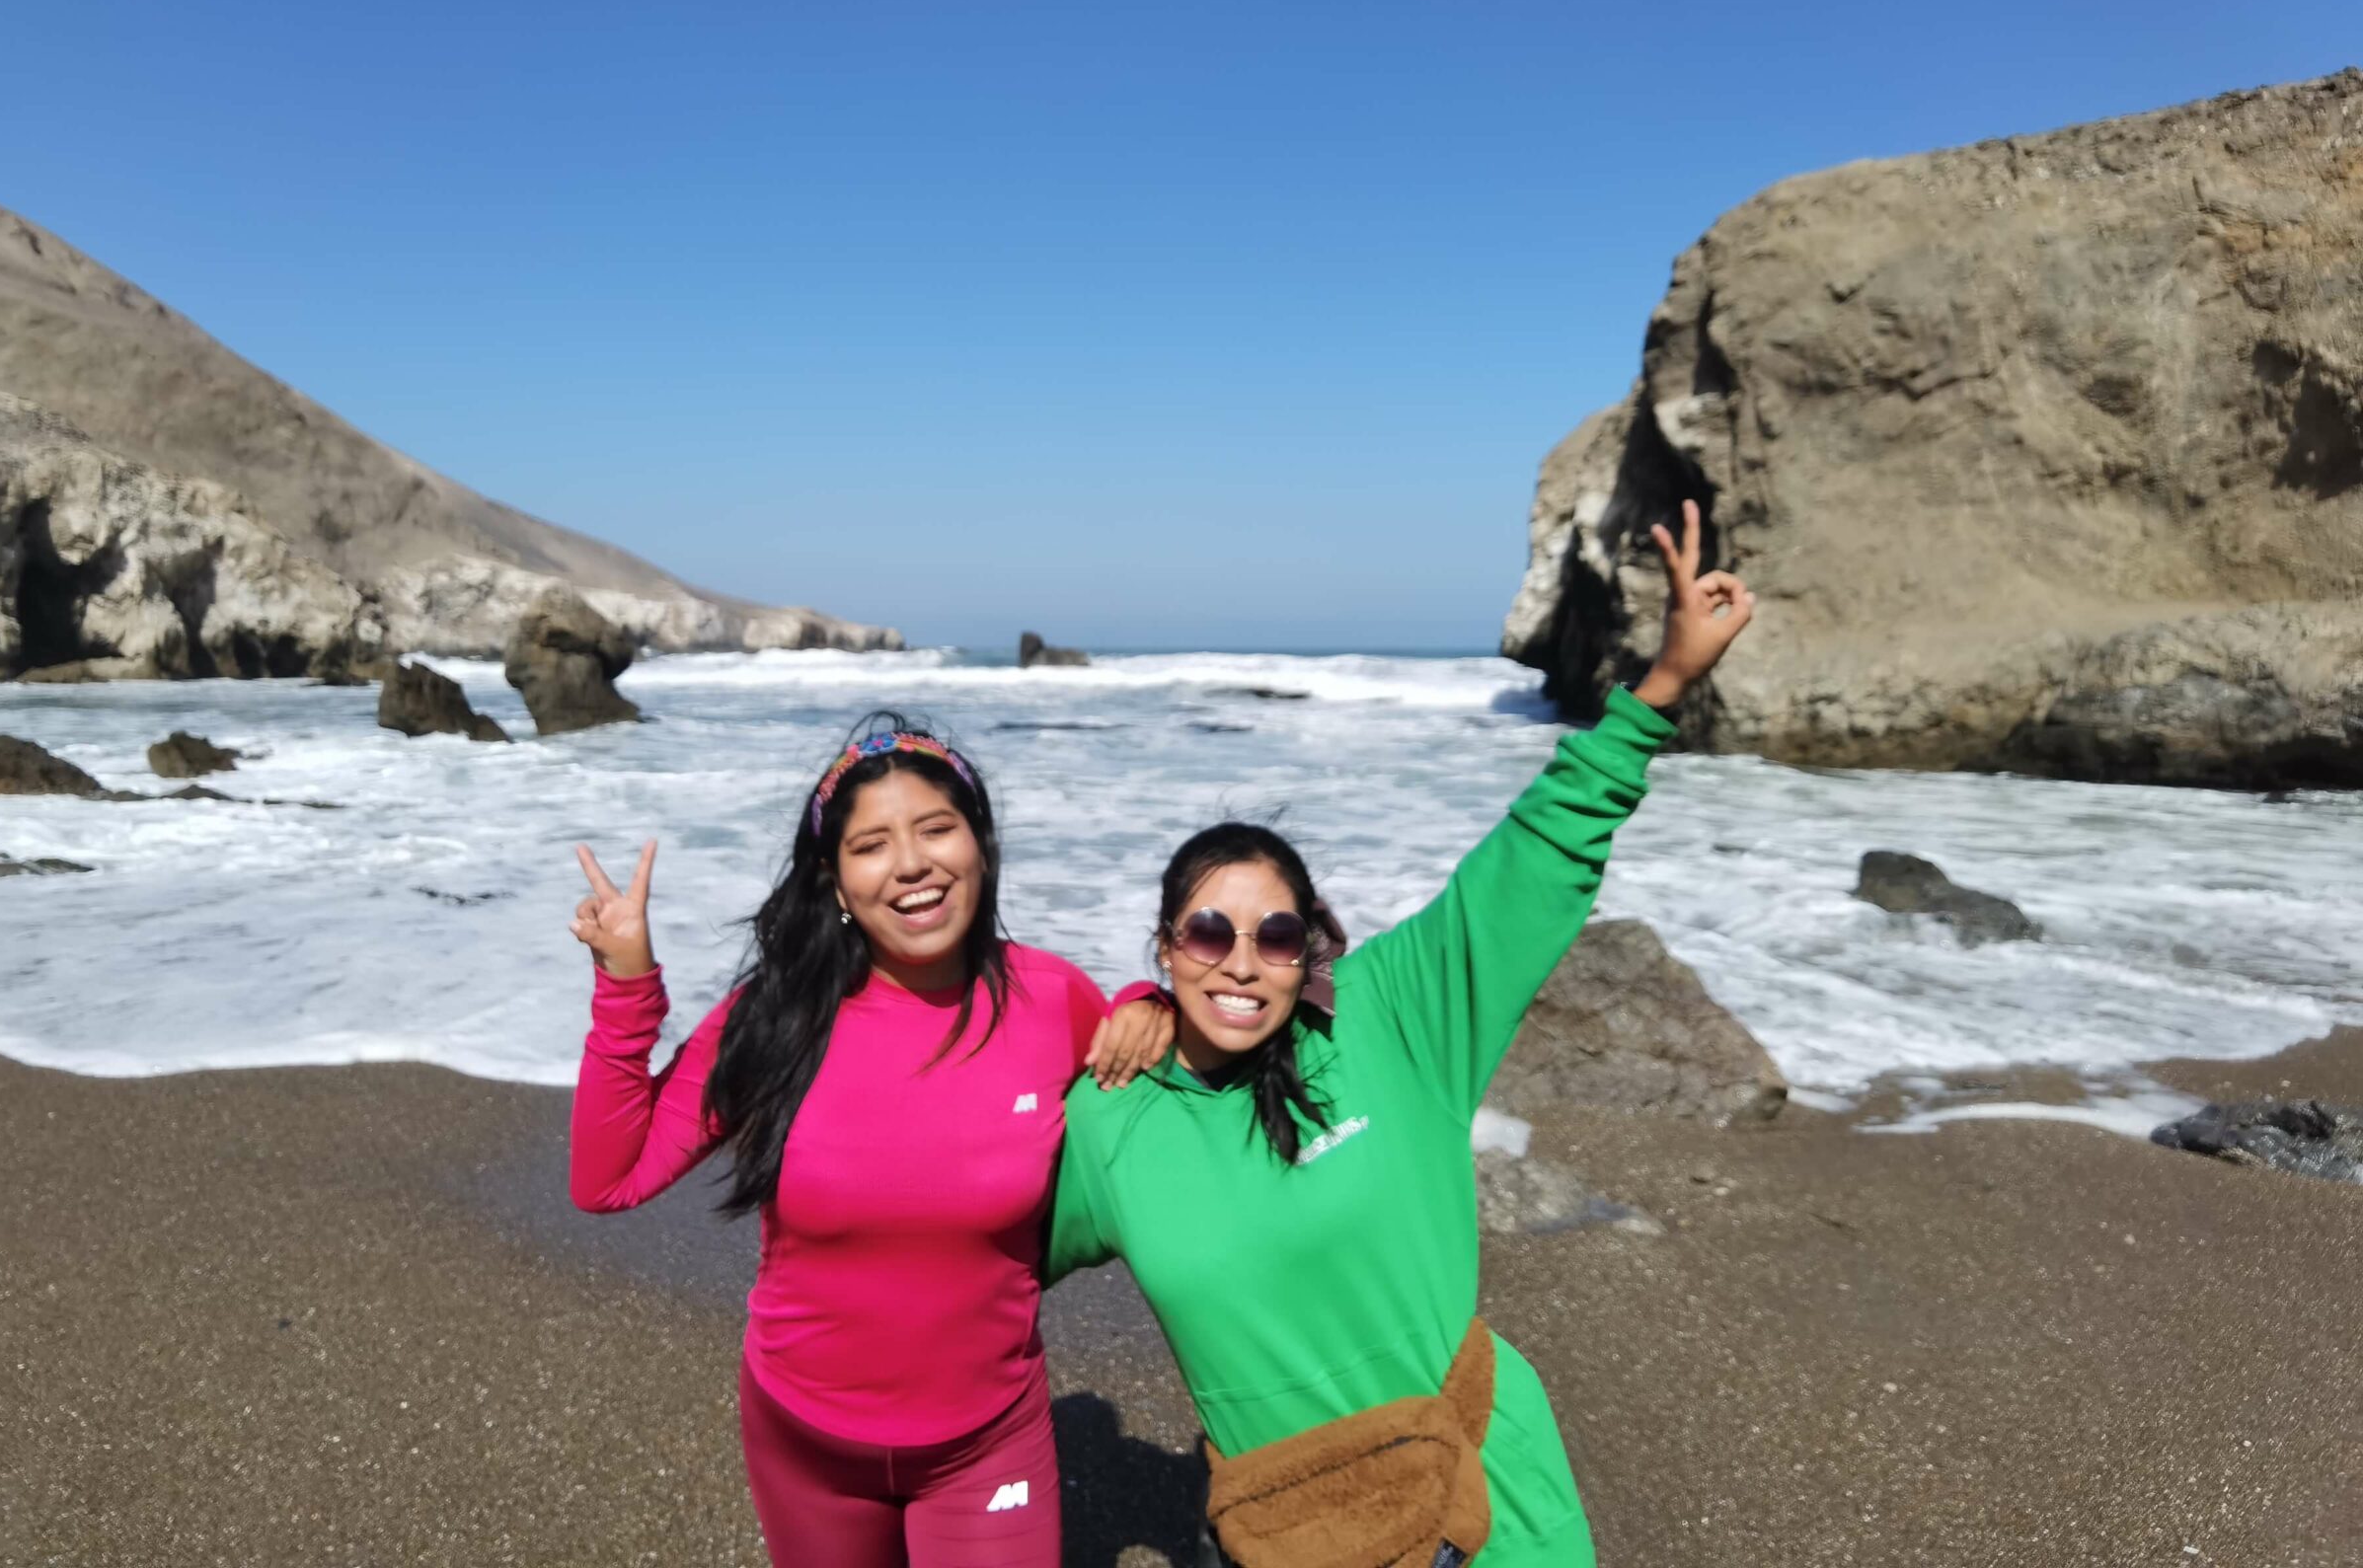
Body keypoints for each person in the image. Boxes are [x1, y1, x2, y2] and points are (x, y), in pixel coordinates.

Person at [1045, 504, 1752, 1568]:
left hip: (1496, 1495)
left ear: (1310, 948)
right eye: (1208, 932)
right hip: (1295, 1537)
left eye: (1276, 935)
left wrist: (1662, 686)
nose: (1241, 961)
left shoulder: (1394, 1019)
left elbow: (1531, 860)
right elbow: (970, 1242)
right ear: (1165, 948)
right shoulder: (1111, 1121)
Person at [567, 712, 1173, 1568]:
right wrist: (626, 987)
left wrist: (1155, 1003)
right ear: (836, 883)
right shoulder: (776, 1020)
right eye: (872, 845)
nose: (912, 863)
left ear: (981, 845)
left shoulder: (1051, 1000)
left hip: (988, 1444)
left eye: (936, 829)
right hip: (805, 1444)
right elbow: (609, 1178)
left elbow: (1166, 1088)